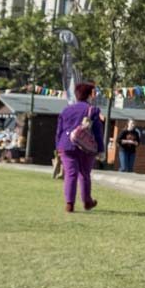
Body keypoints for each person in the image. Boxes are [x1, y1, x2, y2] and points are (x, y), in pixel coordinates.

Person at [56, 83, 103, 212]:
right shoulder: (93, 110)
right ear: (89, 95)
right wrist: (100, 150)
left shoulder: (66, 110)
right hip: (86, 146)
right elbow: (98, 131)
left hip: (66, 145)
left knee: (70, 174)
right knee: (84, 174)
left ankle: (69, 204)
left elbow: (59, 131)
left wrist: (58, 147)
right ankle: (87, 201)